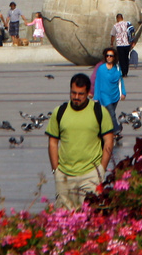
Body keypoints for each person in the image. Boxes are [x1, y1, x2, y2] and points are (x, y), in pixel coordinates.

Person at [46, 73, 115, 210]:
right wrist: (56, 171)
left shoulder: (99, 112)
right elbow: (52, 143)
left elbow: (108, 141)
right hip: (64, 176)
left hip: (91, 176)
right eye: (73, 93)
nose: (76, 97)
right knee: (63, 219)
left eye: (81, 94)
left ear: (88, 93)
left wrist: (101, 170)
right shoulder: (59, 112)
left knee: (91, 217)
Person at [92, 47, 126, 125]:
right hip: (104, 95)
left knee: (109, 115)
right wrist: (96, 97)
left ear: (114, 57)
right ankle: (116, 130)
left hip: (115, 95)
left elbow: (120, 81)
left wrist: (123, 93)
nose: (109, 57)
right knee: (112, 114)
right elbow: (97, 83)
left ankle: (106, 130)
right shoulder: (101, 69)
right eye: (107, 55)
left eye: (111, 56)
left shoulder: (117, 68)